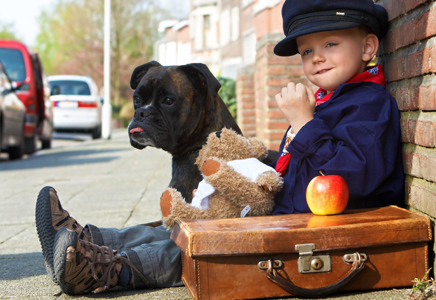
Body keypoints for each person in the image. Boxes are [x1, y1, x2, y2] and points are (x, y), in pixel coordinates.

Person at [35, 0, 404, 295]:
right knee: (178, 229)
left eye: (330, 44)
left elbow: (355, 176)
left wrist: (304, 124)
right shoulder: (329, 101)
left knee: (194, 248)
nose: (316, 57)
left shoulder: (369, 105)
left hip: (319, 230)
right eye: (306, 51)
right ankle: (84, 240)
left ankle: (103, 269)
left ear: (369, 46)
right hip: (287, 215)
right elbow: (306, 167)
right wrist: (255, 163)